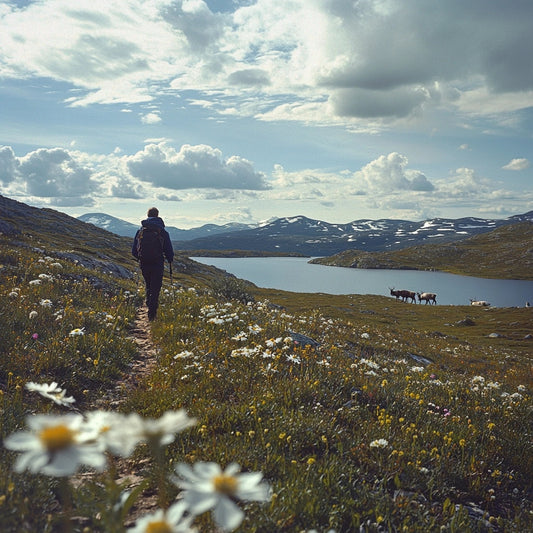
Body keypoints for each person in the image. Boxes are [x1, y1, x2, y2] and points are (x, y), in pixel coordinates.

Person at [132, 207, 174, 321]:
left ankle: (148, 302)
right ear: (157, 215)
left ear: (148, 215)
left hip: (144, 263)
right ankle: (152, 313)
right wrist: (170, 259)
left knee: (148, 284)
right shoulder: (162, 231)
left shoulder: (140, 230)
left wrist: (140, 258)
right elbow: (168, 249)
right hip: (157, 263)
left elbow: (134, 251)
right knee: (156, 287)